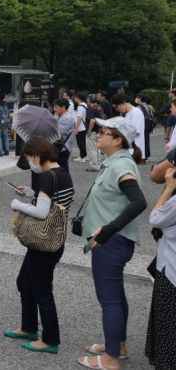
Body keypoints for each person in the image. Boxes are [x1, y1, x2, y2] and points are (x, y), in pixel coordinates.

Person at [78, 117, 147, 370]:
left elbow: (139, 202)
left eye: (104, 132)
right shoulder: (115, 162)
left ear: (118, 139)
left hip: (111, 243)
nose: (98, 135)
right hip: (113, 242)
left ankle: (110, 358)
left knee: (110, 299)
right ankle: (118, 345)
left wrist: (108, 230)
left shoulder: (120, 166)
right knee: (115, 295)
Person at [5, 137, 74, 355]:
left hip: (43, 241)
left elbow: (42, 212)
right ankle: (28, 327)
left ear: (37, 156)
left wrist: (18, 205)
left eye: (28, 158)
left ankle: (50, 340)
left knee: (41, 289)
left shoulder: (46, 177)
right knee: (25, 281)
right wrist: (31, 194)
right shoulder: (62, 172)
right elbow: (55, 203)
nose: (29, 163)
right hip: (54, 239)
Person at [145, 167, 176, 370]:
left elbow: (155, 218)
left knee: (167, 327)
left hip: (171, 271)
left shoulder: (174, 202)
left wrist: (168, 188)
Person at [111, 93, 146, 163]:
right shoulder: (127, 114)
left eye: (116, 107)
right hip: (130, 153)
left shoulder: (136, 113)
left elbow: (135, 132)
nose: (117, 110)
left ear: (123, 103)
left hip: (135, 153)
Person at [53, 98, 78, 173]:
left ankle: (66, 183)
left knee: (63, 168)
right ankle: (64, 183)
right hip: (61, 146)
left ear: (63, 107)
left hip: (63, 147)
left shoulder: (67, 118)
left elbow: (58, 133)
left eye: (56, 107)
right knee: (61, 167)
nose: (54, 109)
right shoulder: (61, 116)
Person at [86, 95, 106, 172]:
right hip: (97, 130)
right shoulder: (98, 108)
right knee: (96, 149)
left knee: (92, 149)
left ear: (89, 100)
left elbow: (92, 121)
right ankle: (97, 164)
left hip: (93, 132)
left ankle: (95, 165)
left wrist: (89, 131)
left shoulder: (91, 109)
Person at [135, 94, 155, 160]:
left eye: (137, 98)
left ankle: (144, 155)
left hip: (143, 125)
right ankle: (147, 154)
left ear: (140, 99)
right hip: (149, 125)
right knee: (146, 140)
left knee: (142, 141)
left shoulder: (140, 107)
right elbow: (152, 115)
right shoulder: (150, 106)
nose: (135, 99)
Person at [74, 92, 89, 162]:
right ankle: (83, 156)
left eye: (75, 98)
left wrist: (76, 128)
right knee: (82, 142)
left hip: (80, 127)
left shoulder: (80, 106)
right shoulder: (85, 105)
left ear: (78, 98)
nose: (74, 99)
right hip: (84, 126)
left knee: (80, 142)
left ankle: (83, 157)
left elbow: (79, 118)